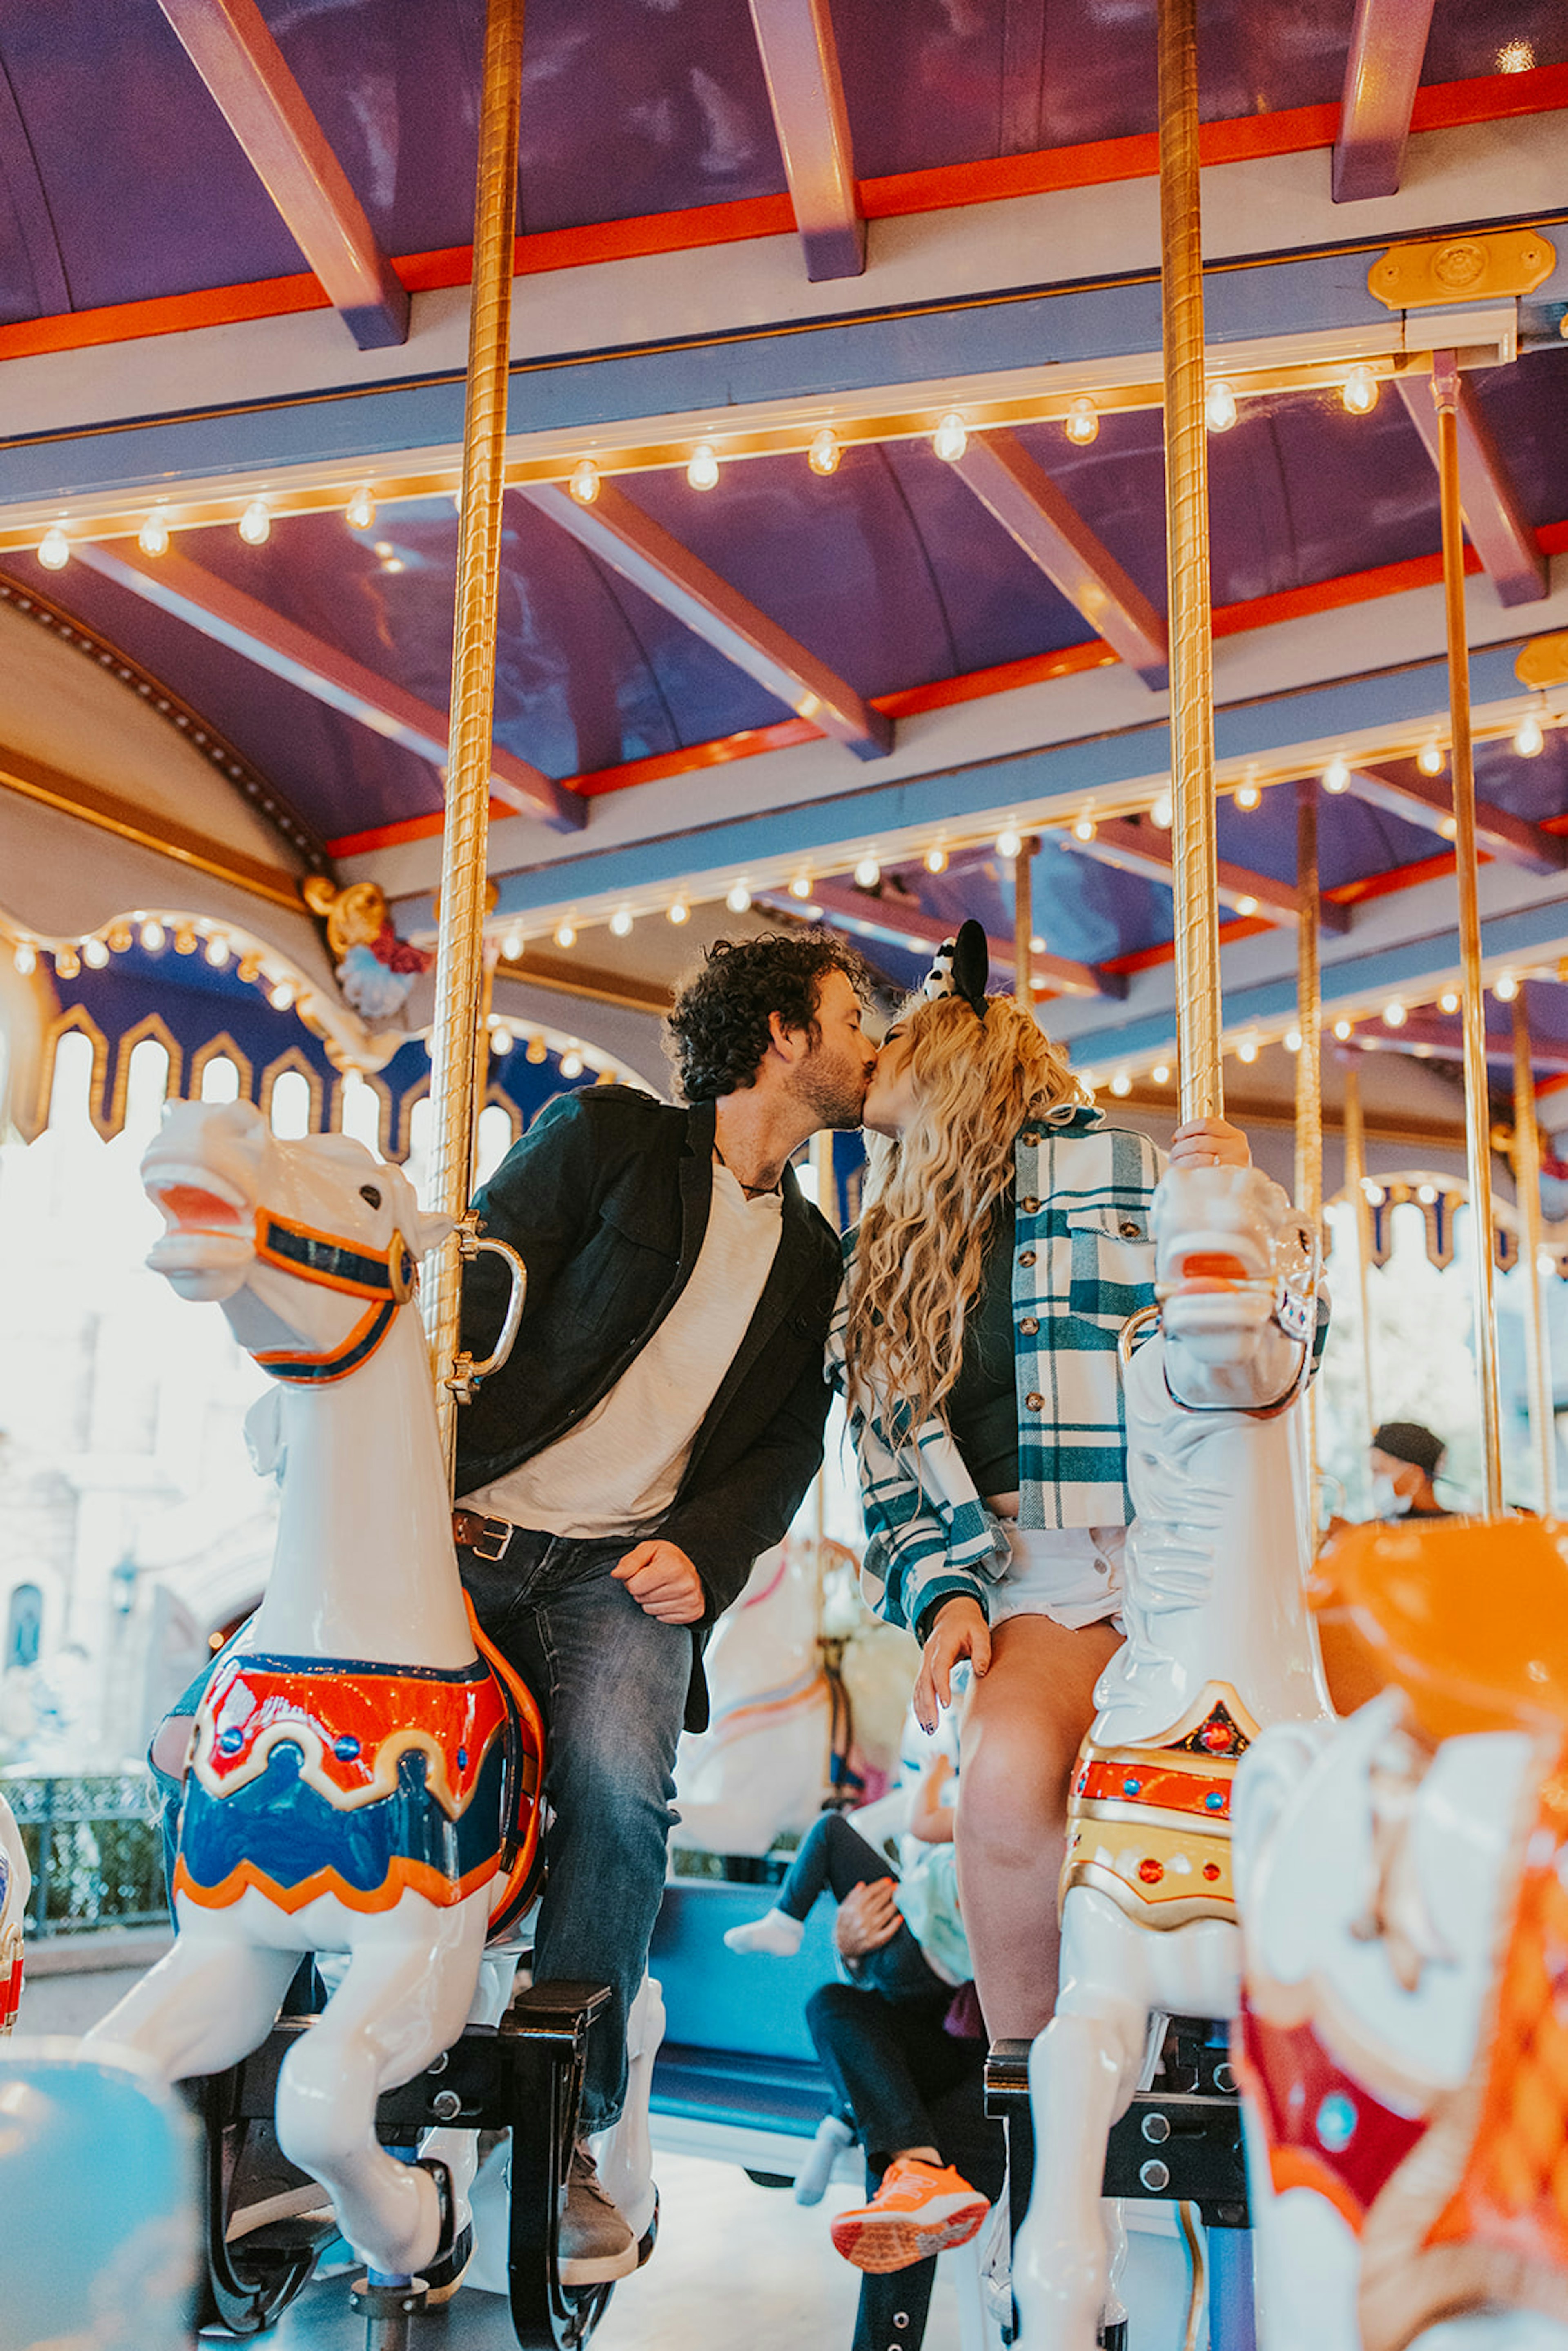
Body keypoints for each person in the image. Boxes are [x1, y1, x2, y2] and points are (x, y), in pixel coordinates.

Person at [153, 931, 876, 2288]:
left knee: (618, 1787)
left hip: (620, 1573)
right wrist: (414, 1456)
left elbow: (788, 1440)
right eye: (852, 1016)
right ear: (784, 1032)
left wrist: (709, 1552)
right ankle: (264, 2097)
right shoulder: (606, 1140)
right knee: (299, 1711)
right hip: (474, 1530)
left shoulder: (810, 1254)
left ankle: (575, 2123)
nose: (867, 1042)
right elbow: (472, 1282)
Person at [833, 920, 1250, 2233]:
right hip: (1025, 1568)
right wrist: (943, 1596)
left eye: (894, 1034)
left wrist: (1235, 1211)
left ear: (954, 1054)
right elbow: (889, 1471)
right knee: (1007, 1774)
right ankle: (1022, 2093)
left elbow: (1263, 1333)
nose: (873, 1057)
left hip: (1179, 1543)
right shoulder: (885, 1254)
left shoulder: (1117, 1172)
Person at [807, 1879, 1005, 2314]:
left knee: (904, 2129)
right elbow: (906, 1979)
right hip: (946, 2040)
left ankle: (917, 2170)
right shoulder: (937, 1860)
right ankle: (920, 2170)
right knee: (831, 2005)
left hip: (1021, 2060)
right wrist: (856, 1953)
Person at [1368, 1420, 1452, 1519]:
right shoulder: (1388, 1526)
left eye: (1378, 1471)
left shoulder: (1457, 1529)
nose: (1373, 1481)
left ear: (1415, 1478)